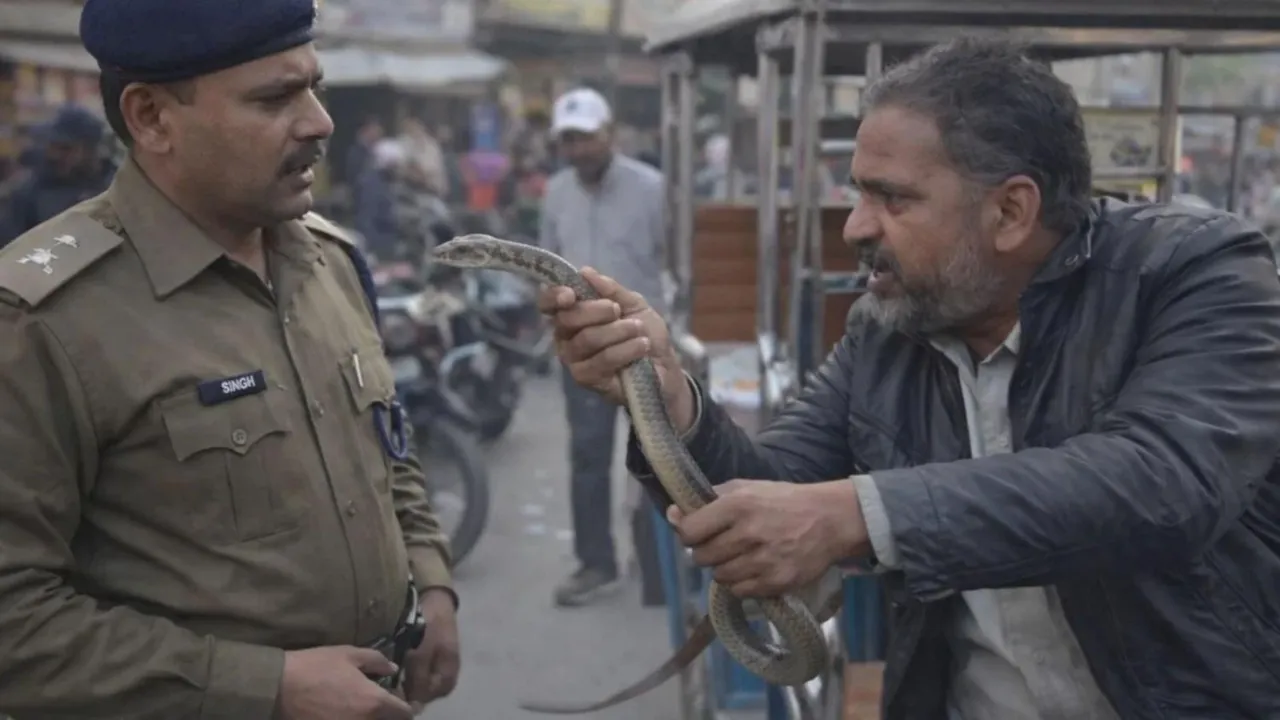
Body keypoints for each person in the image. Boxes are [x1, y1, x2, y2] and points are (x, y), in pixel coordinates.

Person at [541, 39, 1280, 719]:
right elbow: (774, 489)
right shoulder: (886, 327)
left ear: (1011, 211)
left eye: (892, 199)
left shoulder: (1195, 273)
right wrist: (668, 400)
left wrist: (859, 514)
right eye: (859, 192)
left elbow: (1163, 481)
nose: (857, 226)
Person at [0, 0, 461, 718]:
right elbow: (14, 617)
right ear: (152, 118)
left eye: (315, 86)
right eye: (275, 97)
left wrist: (430, 583)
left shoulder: (328, 262)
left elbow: (387, 452)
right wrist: (265, 688)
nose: (319, 121)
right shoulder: (43, 318)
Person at [539, 87, 667, 607]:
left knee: (658, 457)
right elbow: (546, 263)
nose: (578, 149)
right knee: (588, 458)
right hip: (585, 349)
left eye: (586, 138)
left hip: (643, 347)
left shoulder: (654, 189)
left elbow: (678, 259)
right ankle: (596, 564)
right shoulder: (556, 193)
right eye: (568, 140)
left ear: (609, 134)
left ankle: (658, 564)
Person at [0, 104, 116, 246]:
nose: (53, 155)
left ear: (91, 150)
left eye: (65, 148)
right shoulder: (29, 193)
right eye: (51, 146)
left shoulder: (117, 186)